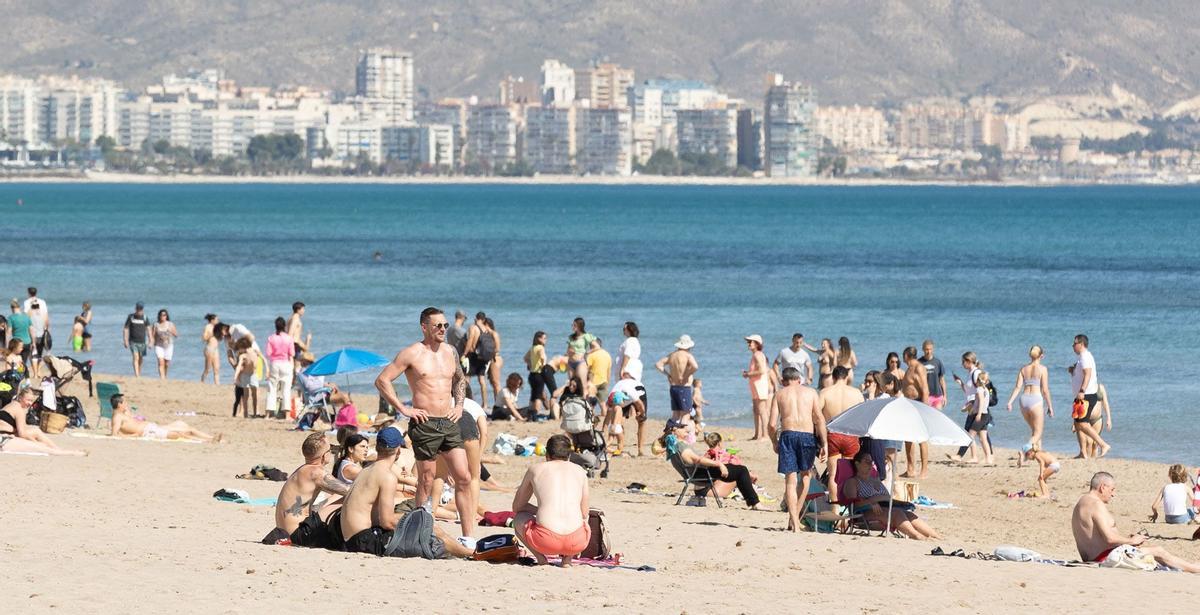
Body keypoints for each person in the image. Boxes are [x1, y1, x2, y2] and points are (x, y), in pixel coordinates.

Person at [374, 307, 475, 542]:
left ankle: (468, 537)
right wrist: (403, 408)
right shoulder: (412, 353)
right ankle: (419, 532)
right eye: (438, 325)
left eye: (445, 326)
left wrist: (459, 405)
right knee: (427, 480)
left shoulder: (451, 351)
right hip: (424, 423)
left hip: (449, 421)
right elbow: (382, 380)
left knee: (464, 477)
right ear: (424, 327)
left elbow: (459, 379)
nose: (442, 329)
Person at [340, 426, 475, 558]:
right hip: (364, 540)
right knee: (429, 528)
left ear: (377, 447)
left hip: (350, 538)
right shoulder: (387, 476)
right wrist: (417, 525)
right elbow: (386, 522)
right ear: (398, 450)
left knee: (419, 521)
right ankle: (469, 552)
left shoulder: (367, 469)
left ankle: (464, 550)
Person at [1072, 472, 1200, 572]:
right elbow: (1109, 539)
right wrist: (1131, 541)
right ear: (1103, 487)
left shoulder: (1082, 502)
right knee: (1159, 551)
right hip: (1106, 557)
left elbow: (1097, 537)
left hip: (1094, 556)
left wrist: (1127, 540)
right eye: (1112, 489)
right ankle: (1194, 569)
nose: (1113, 494)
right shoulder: (1096, 504)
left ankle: (1189, 565)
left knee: (1149, 550)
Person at [513, 434, 591, 566]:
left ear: (546, 455)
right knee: (584, 518)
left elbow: (517, 507)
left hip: (545, 541)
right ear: (569, 456)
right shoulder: (580, 471)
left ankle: (541, 559)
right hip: (577, 542)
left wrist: (540, 510)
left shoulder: (535, 469)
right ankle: (567, 560)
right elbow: (584, 513)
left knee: (518, 519)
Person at [768, 367, 826, 532]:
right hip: (807, 436)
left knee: (790, 480)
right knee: (806, 477)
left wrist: (774, 442)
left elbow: (772, 425)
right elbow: (819, 419)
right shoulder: (811, 392)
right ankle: (796, 517)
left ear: (783, 381)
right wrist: (824, 444)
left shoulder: (779, 394)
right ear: (799, 380)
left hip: (788, 435)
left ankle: (793, 521)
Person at [659, 419, 761, 509]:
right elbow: (697, 460)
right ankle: (755, 503)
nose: (686, 429)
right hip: (701, 473)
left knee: (739, 470)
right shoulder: (680, 446)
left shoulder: (673, 446)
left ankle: (752, 500)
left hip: (698, 472)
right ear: (674, 430)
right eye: (681, 427)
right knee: (742, 470)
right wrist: (719, 464)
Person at [842, 450, 940, 540]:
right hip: (865, 514)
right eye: (866, 462)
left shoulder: (875, 480)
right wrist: (870, 503)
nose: (870, 465)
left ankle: (936, 537)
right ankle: (917, 536)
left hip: (885, 508)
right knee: (897, 513)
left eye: (871, 462)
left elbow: (887, 497)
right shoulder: (853, 482)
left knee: (909, 515)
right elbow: (853, 504)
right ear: (857, 464)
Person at [270, 433, 349, 540]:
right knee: (347, 497)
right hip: (298, 533)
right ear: (324, 456)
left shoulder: (302, 470)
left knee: (335, 496)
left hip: (283, 531)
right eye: (330, 449)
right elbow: (349, 491)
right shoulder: (316, 473)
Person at [818, 366, 865, 502]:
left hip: (833, 434)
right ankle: (848, 509)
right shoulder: (856, 393)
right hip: (850, 435)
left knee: (833, 475)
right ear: (847, 377)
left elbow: (817, 417)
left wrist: (821, 438)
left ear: (833, 377)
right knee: (851, 475)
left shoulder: (825, 392)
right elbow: (863, 416)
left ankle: (835, 509)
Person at [0, 386, 86, 455]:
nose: (30, 403)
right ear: (20, 398)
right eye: (28, 400)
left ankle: (57, 449)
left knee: (35, 431)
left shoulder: (12, 405)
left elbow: (22, 429)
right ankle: (64, 452)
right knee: (43, 447)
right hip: (4, 438)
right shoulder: (19, 409)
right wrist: (35, 442)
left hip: (6, 435)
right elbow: (22, 433)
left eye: (31, 401)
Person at [109, 393, 221, 442]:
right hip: (149, 432)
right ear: (119, 404)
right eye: (125, 402)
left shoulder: (123, 413)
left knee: (181, 424)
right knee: (181, 434)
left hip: (152, 427)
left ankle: (211, 438)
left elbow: (129, 422)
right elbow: (114, 435)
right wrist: (133, 436)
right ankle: (207, 440)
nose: (127, 404)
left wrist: (128, 412)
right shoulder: (117, 417)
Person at [1005, 345, 1054, 458]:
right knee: (1038, 432)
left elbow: (1017, 387)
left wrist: (1010, 402)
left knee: (1034, 429)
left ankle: (1039, 453)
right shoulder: (1043, 369)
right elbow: (1045, 390)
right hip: (1035, 400)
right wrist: (1050, 406)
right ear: (1042, 356)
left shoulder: (1023, 369)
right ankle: (1024, 451)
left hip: (1024, 400)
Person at [1069, 334, 1110, 458]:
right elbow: (1082, 373)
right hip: (1082, 395)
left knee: (1083, 424)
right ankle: (1083, 452)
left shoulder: (1085, 357)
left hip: (1086, 395)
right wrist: (1073, 371)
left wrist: (1082, 390)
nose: (1073, 346)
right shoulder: (1082, 357)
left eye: (1074, 343)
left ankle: (1103, 444)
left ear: (1081, 344)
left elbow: (1088, 374)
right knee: (1077, 423)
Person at [900, 346, 930, 479]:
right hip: (908, 405)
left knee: (922, 439)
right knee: (908, 439)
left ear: (906, 355)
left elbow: (925, 389)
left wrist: (924, 409)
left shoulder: (918, 367)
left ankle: (924, 470)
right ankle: (910, 469)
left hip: (918, 404)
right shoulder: (908, 369)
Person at [950, 351, 987, 461]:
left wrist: (979, 412)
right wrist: (960, 382)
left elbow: (981, 393)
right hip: (972, 407)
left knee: (969, 433)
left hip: (976, 408)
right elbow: (968, 392)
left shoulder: (976, 373)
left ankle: (964, 456)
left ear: (969, 361)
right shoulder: (971, 374)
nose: (962, 364)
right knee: (979, 435)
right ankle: (983, 457)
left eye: (963, 361)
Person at [656, 334, 699, 424]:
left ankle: (671, 433)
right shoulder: (687, 355)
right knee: (685, 414)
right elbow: (695, 366)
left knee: (676, 414)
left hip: (673, 387)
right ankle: (682, 435)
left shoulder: (672, 355)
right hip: (684, 387)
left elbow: (658, 364)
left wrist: (668, 374)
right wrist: (685, 375)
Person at [607, 372, 647, 456]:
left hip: (639, 393)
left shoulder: (631, 392)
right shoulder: (613, 395)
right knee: (619, 420)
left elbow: (640, 404)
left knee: (641, 421)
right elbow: (609, 416)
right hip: (621, 395)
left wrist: (642, 414)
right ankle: (620, 448)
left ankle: (640, 450)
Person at [463, 312, 495, 408]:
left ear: (476, 318)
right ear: (484, 319)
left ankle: (466, 401)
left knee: (466, 378)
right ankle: (485, 403)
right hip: (484, 357)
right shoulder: (487, 329)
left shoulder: (474, 327)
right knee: (482, 380)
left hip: (474, 356)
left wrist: (464, 354)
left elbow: (470, 342)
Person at [742, 334, 771, 440]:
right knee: (756, 410)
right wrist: (749, 373)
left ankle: (765, 435)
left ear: (757, 344)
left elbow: (762, 370)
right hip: (755, 385)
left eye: (751, 342)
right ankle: (757, 434)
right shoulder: (756, 355)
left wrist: (748, 374)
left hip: (760, 385)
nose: (748, 344)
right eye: (748, 342)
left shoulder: (758, 355)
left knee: (762, 410)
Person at [266, 317, 295, 419]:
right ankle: (287, 415)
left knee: (272, 388)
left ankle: (268, 414)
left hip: (274, 363)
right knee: (286, 389)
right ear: (285, 326)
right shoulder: (289, 338)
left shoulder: (271, 338)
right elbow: (292, 353)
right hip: (286, 364)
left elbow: (268, 353)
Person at [963, 371, 994, 464]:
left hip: (981, 415)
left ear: (977, 380)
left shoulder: (979, 390)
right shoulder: (986, 390)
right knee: (983, 438)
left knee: (970, 436)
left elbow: (980, 402)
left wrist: (978, 414)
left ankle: (974, 457)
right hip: (986, 415)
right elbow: (982, 403)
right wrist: (972, 409)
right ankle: (988, 458)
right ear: (986, 381)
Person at [524, 331, 552, 419]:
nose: (546, 340)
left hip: (532, 374)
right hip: (539, 374)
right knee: (538, 396)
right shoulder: (540, 348)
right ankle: (535, 415)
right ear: (539, 339)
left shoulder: (533, 348)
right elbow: (543, 358)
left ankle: (530, 414)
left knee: (533, 395)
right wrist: (543, 366)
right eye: (544, 338)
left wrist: (530, 365)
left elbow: (525, 358)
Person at [231, 337, 261, 418]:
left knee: (254, 396)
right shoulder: (242, 356)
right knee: (246, 396)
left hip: (253, 375)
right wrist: (235, 377)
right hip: (245, 376)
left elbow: (262, 359)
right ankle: (245, 414)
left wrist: (267, 369)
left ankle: (255, 413)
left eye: (239, 348)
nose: (238, 350)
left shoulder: (254, 352)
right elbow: (238, 367)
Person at [122, 302, 150, 377]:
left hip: (142, 342)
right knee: (135, 357)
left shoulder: (145, 317)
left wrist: (151, 340)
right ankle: (137, 375)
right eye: (138, 309)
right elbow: (126, 328)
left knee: (140, 359)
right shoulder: (131, 317)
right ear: (136, 308)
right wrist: (125, 340)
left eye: (140, 309)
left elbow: (148, 329)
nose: (139, 310)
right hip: (132, 341)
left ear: (142, 309)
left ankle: (139, 373)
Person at [150, 309, 178, 380]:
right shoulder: (156, 325)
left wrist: (171, 331)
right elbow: (153, 336)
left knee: (167, 364)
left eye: (164, 315)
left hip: (169, 345)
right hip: (159, 346)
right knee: (160, 362)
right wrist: (151, 343)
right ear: (159, 316)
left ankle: (165, 376)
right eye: (161, 315)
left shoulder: (170, 324)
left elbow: (176, 335)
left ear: (166, 316)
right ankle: (162, 379)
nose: (163, 316)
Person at [918, 340, 946, 409]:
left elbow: (942, 380)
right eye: (926, 349)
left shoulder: (937, 362)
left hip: (938, 395)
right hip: (925, 396)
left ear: (933, 349)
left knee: (937, 415)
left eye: (930, 349)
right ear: (923, 349)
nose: (929, 351)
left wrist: (945, 396)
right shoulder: (919, 363)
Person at [484, 317, 505, 406]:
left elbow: (497, 348)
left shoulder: (494, 334)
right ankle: (497, 403)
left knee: (496, 383)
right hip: (491, 359)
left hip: (495, 359)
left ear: (487, 324)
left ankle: (500, 403)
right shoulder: (487, 334)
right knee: (493, 382)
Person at [586, 337, 612, 405]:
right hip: (604, 381)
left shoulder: (591, 355)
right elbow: (608, 371)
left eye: (591, 346)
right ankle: (604, 415)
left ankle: (590, 415)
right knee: (602, 403)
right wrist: (608, 382)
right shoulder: (607, 354)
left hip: (593, 382)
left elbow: (586, 369)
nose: (590, 347)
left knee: (590, 401)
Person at [7, 301, 31, 374]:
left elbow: (9, 331)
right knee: (23, 362)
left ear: (12, 308)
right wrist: (34, 343)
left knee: (15, 362)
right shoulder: (26, 317)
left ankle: (18, 377)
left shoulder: (11, 318)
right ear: (19, 307)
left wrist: (7, 344)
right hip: (27, 342)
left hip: (16, 343)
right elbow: (32, 330)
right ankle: (24, 377)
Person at [26, 299, 48, 378]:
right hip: (41, 336)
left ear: (32, 306)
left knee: (33, 355)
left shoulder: (29, 313)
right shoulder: (43, 313)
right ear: (38, 306)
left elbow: (27, 324)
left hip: (32, 337)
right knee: (39, 355)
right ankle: (38, 371)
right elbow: (47, 324)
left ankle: (35, 373)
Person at [615, 321, 641, 386]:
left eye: (624, 329)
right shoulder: (634, 341)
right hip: (630, 370)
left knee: (624, 391)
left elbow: (627, 354)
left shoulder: (630, 340)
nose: (623, 331)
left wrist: (622, 369)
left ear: (629, 330)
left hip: (627, 371)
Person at [201, 314, 221, 384]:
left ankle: (217, 385)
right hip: (209, 349)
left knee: (217, 369)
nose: (218, 321)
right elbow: (203, 338)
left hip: (216, 349)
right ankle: (202, 382)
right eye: (217, 319)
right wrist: (212, 334)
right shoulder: (207, 327)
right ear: (212, 320)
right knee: (208, 369)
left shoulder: (217, 327)